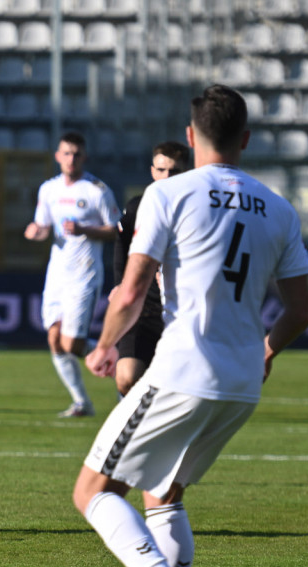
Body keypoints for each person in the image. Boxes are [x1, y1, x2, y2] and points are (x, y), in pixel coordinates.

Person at [74, 84, 308, 567]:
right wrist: (266, 348)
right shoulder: (278, 208)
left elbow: (130, 291)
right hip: (240, 382)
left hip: (182, 368)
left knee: (93, 492)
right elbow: (300, 312)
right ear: (246, 140)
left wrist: (105, 346)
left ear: (189, 136)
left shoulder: (169, 193)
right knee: (164, 494)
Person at [25, 131, 122, 418]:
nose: (71, 158)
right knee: (54, 339)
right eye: (66, 153)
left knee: (71, 344)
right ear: (57, 156)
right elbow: (42, 224)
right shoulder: (48, 189)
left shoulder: (96, 190)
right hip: (56, 274)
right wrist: (36, 231)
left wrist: (85, 231)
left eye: (77, 153)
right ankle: (82, 403)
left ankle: (119, 359)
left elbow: (116, 230)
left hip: (84, 274)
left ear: (85, 157)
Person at [111, 141, 191, 398]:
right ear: (152, 171)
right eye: (161, 169)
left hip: (181, 310)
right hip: (143, 308)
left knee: (176, 388)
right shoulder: (137, 207)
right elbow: (121, 246)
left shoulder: (195, 210)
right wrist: (119, 285)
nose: (166, 177)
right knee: (126, 377)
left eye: (174, 171)